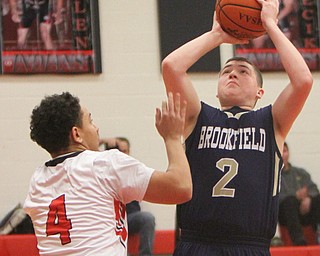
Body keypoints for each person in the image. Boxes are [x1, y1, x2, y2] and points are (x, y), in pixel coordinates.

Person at [161, 0, 313, 254]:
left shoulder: (271, 121)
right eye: (226, 71)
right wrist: (216, 35)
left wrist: (270, 25)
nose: (232, 74)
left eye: (243, 71)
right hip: (197, 243)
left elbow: (303, 81)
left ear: (259, 92)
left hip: (249, 246)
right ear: (217, 91)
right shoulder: (198, 117)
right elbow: (171, 67)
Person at [23, 91, 192, 256]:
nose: (96, 129)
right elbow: (181, 188)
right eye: (90, 121)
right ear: (76, 134)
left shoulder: (37, 180)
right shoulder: (104, 164)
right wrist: (173, 137)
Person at [101, 137, 156, 256]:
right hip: (111, 220)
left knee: (147, 218)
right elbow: (87, 155)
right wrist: (104, 141)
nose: (123, 154)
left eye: (125, 151)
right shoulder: (104, 169)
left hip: (131, 217)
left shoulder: (134, 169)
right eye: (119, 151)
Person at [279, 142, 320, 245]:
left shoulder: (301, 172)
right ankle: (299, 241)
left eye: (284, 151)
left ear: (288, 153)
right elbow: (275, 198)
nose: (282, 155)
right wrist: (296, 196)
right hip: (286, 214)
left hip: (305, 212)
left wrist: (309, 198)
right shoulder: (273, 177)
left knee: (317, 199)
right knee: (290, 201)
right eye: (280, 152)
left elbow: (314, 189)